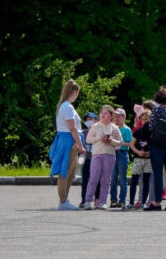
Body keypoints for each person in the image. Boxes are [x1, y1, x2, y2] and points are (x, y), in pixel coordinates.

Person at [50, 80, 85, 210]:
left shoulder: (64, 106)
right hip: (69, 141)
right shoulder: (68, 107)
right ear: (75, 92)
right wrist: (80, 145)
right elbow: (73, 129)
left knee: (70, 172)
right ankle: (63, 201)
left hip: (67, 140)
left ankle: (64, 200)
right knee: (66, 172)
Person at [83, 105, 124, 210]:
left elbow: (120, 142)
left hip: (110, 155)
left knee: (106, 179)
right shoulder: (95, 126)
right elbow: (88, 140)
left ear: (111, 116)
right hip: (97, 155)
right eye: (101, 112)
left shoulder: (114, 128)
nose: (102, 114)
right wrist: (99, 138)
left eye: (105, 113)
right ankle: (87, 201)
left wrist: (111, 141)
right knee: (93, 178)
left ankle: (102, 202)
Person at [128, 110, 152, 209]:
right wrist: (138, 152)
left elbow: (156, 145)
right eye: (143, 119)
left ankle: (143, 202)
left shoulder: (153, 132)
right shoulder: (138, 131)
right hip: (138, 159)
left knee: (146, 181)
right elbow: (131, 144)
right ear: (140, 120)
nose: (145, 121)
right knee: (134, 180)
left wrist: (149, 152)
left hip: (149, 159)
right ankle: (131, 202)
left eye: (147, 119)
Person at [109, 108, 133, 208]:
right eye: (115, 116)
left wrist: (120, 142)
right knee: (113, 177)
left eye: (119, 116)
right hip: (113, 152)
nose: (116, 118)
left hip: (122, 153)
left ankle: (122, 200)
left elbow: (130, 143)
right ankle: (113, 199)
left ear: (124, 117)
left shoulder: (127, 129)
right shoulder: (112, 128)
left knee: (122, 178)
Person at [79, 112, 98, 208]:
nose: (89, 121)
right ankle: (84, 200)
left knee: (96, 180)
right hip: (86, 158)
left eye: (91, 119)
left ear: (96, 120)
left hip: (97, 158)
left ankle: (97, 200)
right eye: (87, 119)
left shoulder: (98, 131)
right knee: (85, 180)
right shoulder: (83, 133)